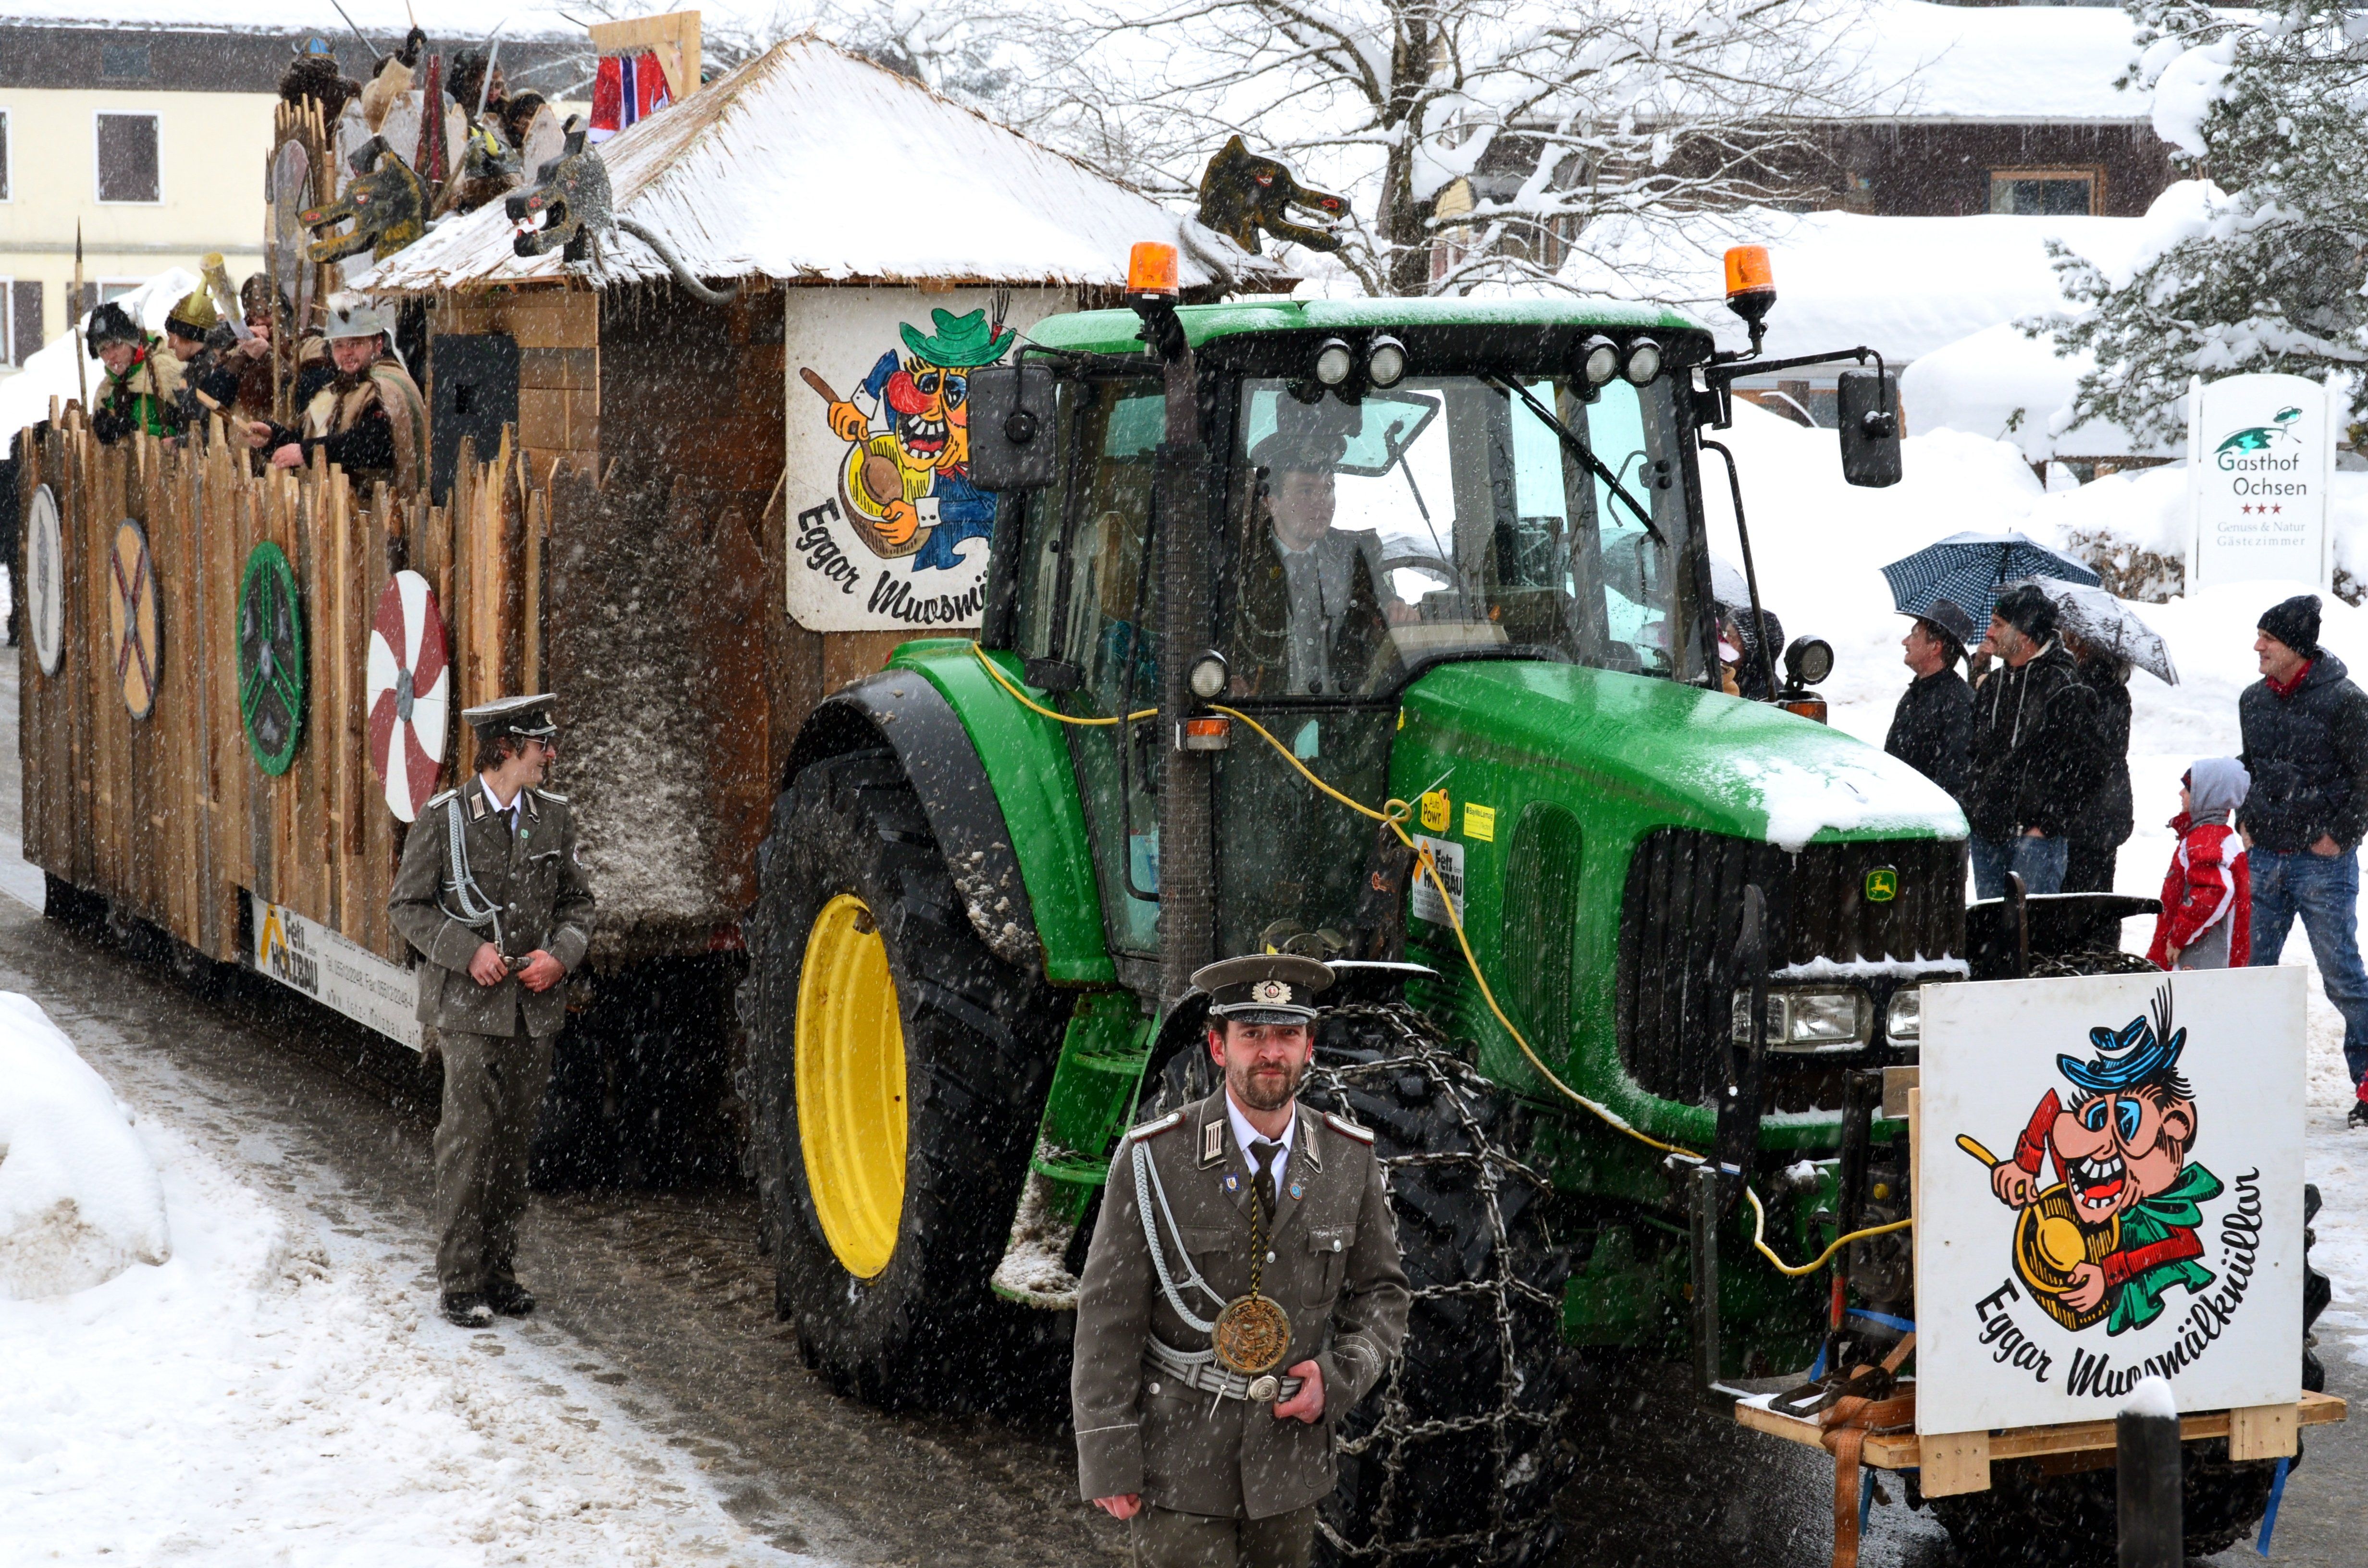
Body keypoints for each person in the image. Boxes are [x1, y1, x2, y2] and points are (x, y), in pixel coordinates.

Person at [1073, 954, 1410, 1568]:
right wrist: (1107, 1453)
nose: (1270, 1053)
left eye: (1286, 1035)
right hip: (1178, 1465)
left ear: (1309, 1047)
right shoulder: (1155, 1159)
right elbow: (1108, 1317)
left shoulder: (1347, 1160)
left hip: (1288, 1469)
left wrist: (1337, 1379)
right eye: (1251, 1034)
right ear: (1217, 1046)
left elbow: (1382, 1294)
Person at [388, 695, 596, 1326]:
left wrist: (560, 957)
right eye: (540, 745)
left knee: (512, 1146)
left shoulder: (553, 817)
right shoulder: (445, 819)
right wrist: (468, 950)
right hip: (468, 1010)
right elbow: (407, 908)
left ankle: (500, 1273)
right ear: (504, 749)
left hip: (532, 1011)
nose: (549, 756)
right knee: (467, 1143)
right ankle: (460, 1282)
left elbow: (578, 906)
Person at [2237, 594, 2368, 1129]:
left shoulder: (2346, 701)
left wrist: (2338, 836)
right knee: (2249, 975)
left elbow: (2365, 778)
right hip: (2263, 857)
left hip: (2322, 865)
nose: (2257, 647)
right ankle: (2244, 1081)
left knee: (2343, 979)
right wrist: (2244, 819)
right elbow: (2250, 765)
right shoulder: (2252, 700)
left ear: (2295, 646)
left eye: (2267, 639)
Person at [1228, 433, 1409, 698]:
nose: (1322, 502)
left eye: (1328, 488)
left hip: (1352, 711)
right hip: (1264, 714)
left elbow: (1388, 611)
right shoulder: (1238, 566)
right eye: (1306, 491)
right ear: (1273, 503)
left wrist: (1399, 612)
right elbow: (1223, 647)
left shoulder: (1359, 554)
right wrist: (1231, 682)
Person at [1965, 582, 2100, 899]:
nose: (1989, 633)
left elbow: (2090, 765)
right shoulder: (1994, 684)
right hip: (1987, 835)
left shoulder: (2063, 685)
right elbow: (1975, 752)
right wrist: (1975, 804)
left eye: (1998, 625)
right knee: (1989, 927)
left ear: (2025, 635)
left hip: (2035, 843)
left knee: (2031, 928)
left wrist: (2048, 824)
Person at [246, 292, 427, 497]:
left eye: (355, 343)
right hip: (338, 508)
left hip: (376, 508)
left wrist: (307, 452)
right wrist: (274, 438)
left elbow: (373, 446)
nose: (346, 352)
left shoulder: (388, 388)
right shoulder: (336, 389)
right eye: (339, 345)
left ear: (377, 345)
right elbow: (311, 438)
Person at [2149, 759, 2252, 970]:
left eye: (2188, 789)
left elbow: (2216, 890)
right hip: (2206, 957)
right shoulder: (2212, 835)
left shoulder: (2206, 838)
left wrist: (2179, 938)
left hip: (2200, 960)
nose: (2181, 793)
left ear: (2206, 797)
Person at [2062, 632, 2136, 901]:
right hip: (2107, 807)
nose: (2066, 646)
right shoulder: (2114, 689)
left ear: (2087, 645)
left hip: (2087, 809)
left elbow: (2086, 752)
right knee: (2096, 894)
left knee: (2073, 898)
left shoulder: (2085, 688)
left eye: (2071, 640)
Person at [1883, 597, 1974, 803]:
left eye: (1914, 635)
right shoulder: (1913, 694)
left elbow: (1954, 779)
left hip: (1926, 814)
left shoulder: (1959, 702)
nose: (1905, 642)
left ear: (1935, 647)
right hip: (1898, 807)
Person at [85, 302, 185, 445]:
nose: (111, 356)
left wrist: (134, 429)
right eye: (103, 350)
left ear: (132, 343)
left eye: (117, 344)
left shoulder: (166, 371)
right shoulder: (106, 392)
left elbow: (187, 434)